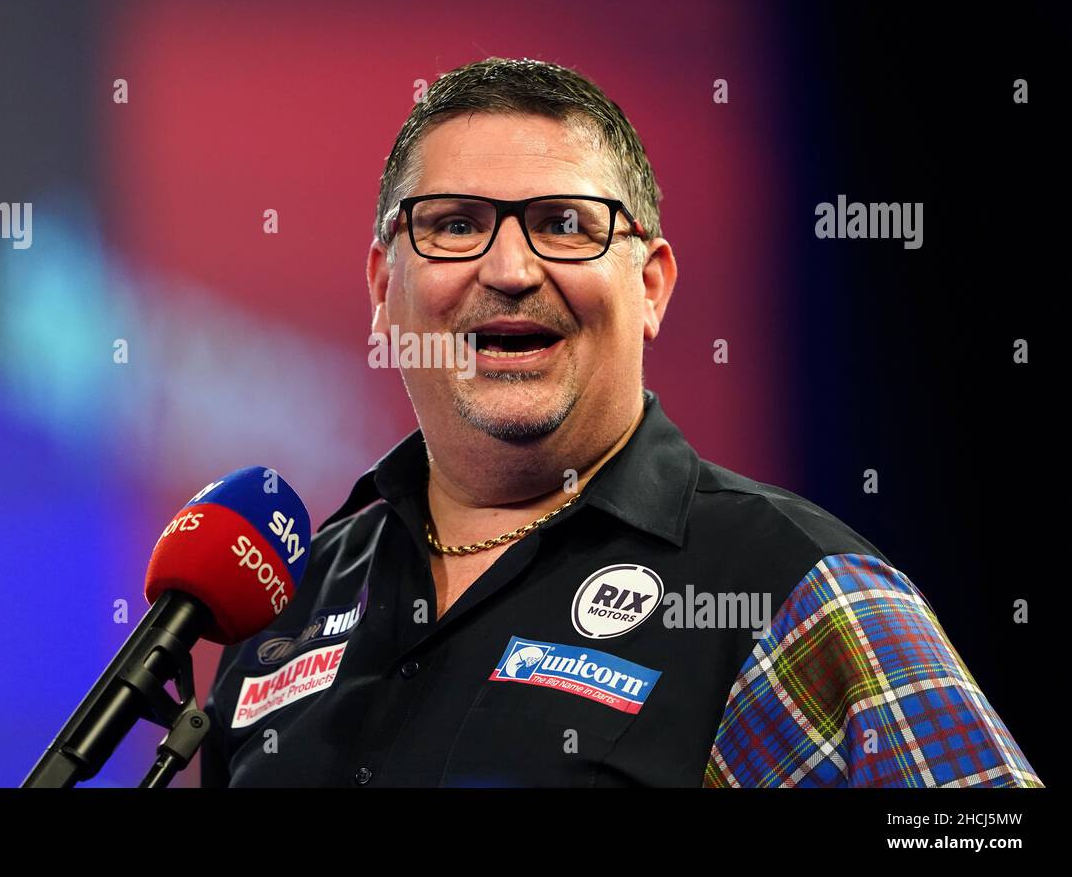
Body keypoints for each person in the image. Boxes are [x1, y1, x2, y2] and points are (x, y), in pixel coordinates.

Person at [199, 57, 1041, 787]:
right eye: (455, 225)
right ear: (385, 290)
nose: (511, 268)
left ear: (652, 287)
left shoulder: (798, 588)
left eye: (565, 224)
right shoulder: (288, 602)